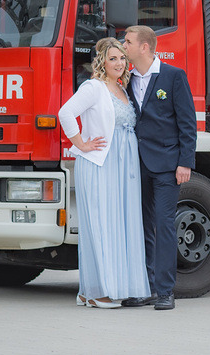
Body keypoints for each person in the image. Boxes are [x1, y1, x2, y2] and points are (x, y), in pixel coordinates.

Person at [58, 38, 150, 309]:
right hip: (100, 164)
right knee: (101, 225)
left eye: (121, 58)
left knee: (120, 225)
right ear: (101, 62)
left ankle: (98, 290)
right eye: (112, 59)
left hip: (124, 166)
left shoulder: (123, 88)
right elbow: (65, 113)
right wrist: (81, 144)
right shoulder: (94, 87)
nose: (119, 63)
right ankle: (98, 291)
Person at [121, 25, 197, 311]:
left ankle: (165, 291)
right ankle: (147, 288)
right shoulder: (126, 79)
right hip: (135, 164)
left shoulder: (173, 76)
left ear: (144, 47)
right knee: (141, 226)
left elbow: (187, 123)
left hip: (167, 165)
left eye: (127, 42)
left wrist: (185, 162)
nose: (123, 45)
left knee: (164, 225)